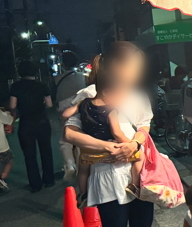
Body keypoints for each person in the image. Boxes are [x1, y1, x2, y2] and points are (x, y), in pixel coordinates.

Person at [64, 41, 167, 227]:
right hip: (107, 177)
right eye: (132, 65)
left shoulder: (137, 95)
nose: (136, 71)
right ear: (114, 66)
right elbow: (70, 132)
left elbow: (144, 127)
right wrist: (106, 146)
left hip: (139, 175)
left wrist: (132, 144)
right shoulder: (89, 94)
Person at [61, 66, 144, 204]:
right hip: (109, 148)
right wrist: (129, 143)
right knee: (141, 156)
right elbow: (116, 132)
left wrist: (78, 105)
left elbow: (65, 114)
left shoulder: (85, 103)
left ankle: (83, 194)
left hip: (89, 149)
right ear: (107, 92)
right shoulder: (110, 110)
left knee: (83, 170)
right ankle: (134, 186)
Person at [9, 60, 54, 193]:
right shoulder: (42, 85)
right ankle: (49, 179)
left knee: (29, 154)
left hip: (26, 122)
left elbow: (12, 106)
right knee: (46, 151)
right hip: (41, 121)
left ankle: (35, 184)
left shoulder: (15, 86)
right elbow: (50, 104)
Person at [54, 51, 86, 179]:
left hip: (63, 110)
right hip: (79, 108)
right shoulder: (82, 77)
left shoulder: (57, 79)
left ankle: (69, 164)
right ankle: (80, 165)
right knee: (79, 137)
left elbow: (53, 96)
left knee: (65, 139)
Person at [0, 107, 14, 192]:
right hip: (1, 146)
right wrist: (7, 114)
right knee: (9, 160)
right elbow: (9, 120)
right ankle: (2, 178)